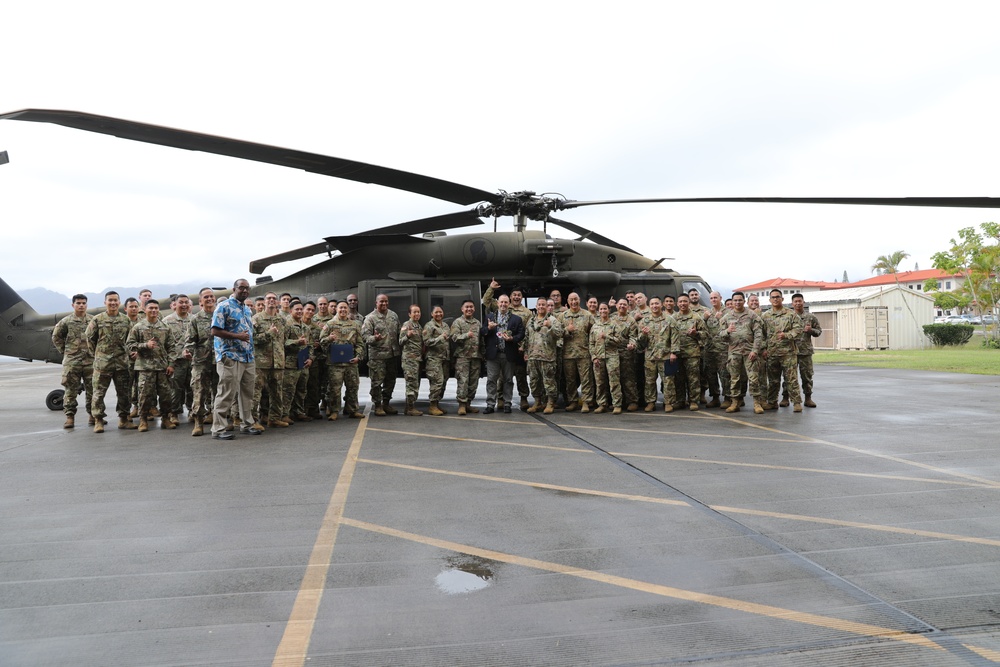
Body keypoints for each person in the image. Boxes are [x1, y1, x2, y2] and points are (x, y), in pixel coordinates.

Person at [210, 279, 258, 440]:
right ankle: (218, 428)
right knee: (226, 392)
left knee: (247, 393)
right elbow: (215, 330)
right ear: (234, 289)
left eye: (247, 288)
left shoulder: (246, 309)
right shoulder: (224, 306)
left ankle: (247, 424)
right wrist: (237, 336)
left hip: (247, 356)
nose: (244, 291)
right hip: (230, 356)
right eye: (241, 288)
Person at [86, 291, 136, 433]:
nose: (113, 303)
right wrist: (97, 355)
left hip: (121, 363)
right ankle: (98, 420)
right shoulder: (97, 319)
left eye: (115, 300)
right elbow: (89, 339)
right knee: (98, 393)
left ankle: (124, 419)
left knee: (124, 393)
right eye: (110, 300)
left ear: (119, 303)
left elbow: (130, 340)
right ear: (105, 302)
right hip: (103, 365)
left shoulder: (126, 320)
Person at [126, 299, 180, 432]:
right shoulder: (138, 327)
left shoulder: (165, 327)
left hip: (162, 368)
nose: (154, 311)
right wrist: (145, 345)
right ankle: (143, 419)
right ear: (145, 310)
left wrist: (171, 364)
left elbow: (172, 347)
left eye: (156, 308)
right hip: (145, 368)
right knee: (144, 396)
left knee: (166, 395)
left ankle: (166, 419)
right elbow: (129, 345)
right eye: (151, 308)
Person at [51, 294, 95, 429]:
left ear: (86, 305)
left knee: (93, 391)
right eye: (78, 303)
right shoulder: (66, 321)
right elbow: (56, 336)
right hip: (72, 362)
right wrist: (66, 351)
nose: (81, 305)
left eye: (83, 303)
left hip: (90, 362)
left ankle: (93, 416)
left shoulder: (93, 321)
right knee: (70, 390)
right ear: (73, 305)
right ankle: (70, 417)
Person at [719, 291, 764, 414]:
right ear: (731, 302)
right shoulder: (726, 318)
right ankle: (735, 402)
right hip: (734, 353)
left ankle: (757, 403)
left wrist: (755, 350)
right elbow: (721, 336)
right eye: (735, 300)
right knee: (735, 379)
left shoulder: (752, 316)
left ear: (744, 301)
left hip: (750, 352)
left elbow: (758, 335)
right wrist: (727, 331)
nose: (737, 302)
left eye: (740, 300)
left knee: (753, 378)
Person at [321, 300, 365, 420]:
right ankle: (335, 411)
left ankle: (352, 410)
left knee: (353, 387)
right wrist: (329, 339)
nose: (343, 310)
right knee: (335, 389)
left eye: (345, 308)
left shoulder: (355, 325)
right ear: (336, 309)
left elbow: (360, 344)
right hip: (335, 364)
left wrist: (358, 356)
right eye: (341, 308)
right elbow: (322, 342)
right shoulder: (330, 324)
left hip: (351, 363)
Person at [761, 289, 804, 412]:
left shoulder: (791, 314)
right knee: (773, 380)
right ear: (770, 300)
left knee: (791, 379)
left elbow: (798, 330)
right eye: (773, 297)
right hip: (772, 353)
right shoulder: (765, 316)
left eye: (777, 297)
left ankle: (796, 402)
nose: (775, 299)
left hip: (788, 353)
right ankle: (772, 402)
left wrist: (786, 335)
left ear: (782, 299)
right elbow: (761, 334)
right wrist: (764, 349)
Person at [186, 288, 219, 436]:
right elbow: (190, 340)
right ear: (200, 301)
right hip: (201, 361)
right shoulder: (195, 319)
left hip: (219, 361)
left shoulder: (221, 316)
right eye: (206, 297)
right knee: (199, 393)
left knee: (220, 393)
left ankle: (219, 422)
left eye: (211, 296)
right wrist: (187, 351)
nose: (209, 299)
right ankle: (198, 423)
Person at [484, 294, 525, 414]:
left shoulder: (516, 319)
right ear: (497, 303)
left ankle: (507, 403)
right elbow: (482, 332)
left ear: (509, 304)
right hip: (493, 354)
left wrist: (512, 338)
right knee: (491, 380)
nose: (503, 305)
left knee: (508, 380)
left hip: (508, 353)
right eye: (501, 302)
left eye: (506, 302)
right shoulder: (490, 317)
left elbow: (521, 334)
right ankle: (490, 404)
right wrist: (489, 328)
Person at [362, 293, 401, 416]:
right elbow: (365, 337)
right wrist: (375, 338)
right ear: (376, 303)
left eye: (386, 301)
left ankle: (386, 403)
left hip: (392, 355)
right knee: (377, 382)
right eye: (381, 302)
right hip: (377, 357)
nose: (384, 304)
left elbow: (399, 332)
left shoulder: (393, 315)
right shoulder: (370, 318)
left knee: (391, 381)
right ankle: (378, 405)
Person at [253, 293, 288, 427]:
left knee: (277, 392)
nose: (272, 300)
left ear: (278, 302)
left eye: (274, 299)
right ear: (264, 302)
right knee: (256, 393)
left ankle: (274, 418)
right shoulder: (256, 319)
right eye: (269, 299)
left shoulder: (281, 320)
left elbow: (283, 340)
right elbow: (252, 339)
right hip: (261, 362)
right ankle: (253, 420)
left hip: (278, 361)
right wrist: (269, 333)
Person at [525, 298, 563, 414]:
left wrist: (550, 326)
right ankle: (537, 402)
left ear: (547, 306)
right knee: (534, 381)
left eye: (543, 305)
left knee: (549, 382)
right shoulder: (531, 320)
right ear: (536, 306)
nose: (541, 306)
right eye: (539, 304)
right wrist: (526, 352)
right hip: (533, 357)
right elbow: (526, 337)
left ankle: (550, 403)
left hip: (547, 357)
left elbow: (559, 334)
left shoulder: (553, 320)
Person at [669, 294, 706, 411]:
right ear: (677, 304)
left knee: (693, 378)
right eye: (680, 302)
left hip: (692, 353)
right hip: (677, 353)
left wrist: (696, 333)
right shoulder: (672, 318)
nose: (682, 304)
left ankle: (693, 401)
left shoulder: (696, 317)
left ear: (689, 303)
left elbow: (706, 335)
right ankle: (680, 400)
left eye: (685, 301)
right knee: (678, 378)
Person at [637, 296, 674, 411]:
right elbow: (640, 343)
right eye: (652, 304)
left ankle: (668, 402)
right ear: (650, 305)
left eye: (656, 304)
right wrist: (643, 335)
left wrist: (674, 352)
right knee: (649, 381)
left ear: (661, 305)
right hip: (650, 357)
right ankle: (650, 402)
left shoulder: (669, 319)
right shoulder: (644, 321)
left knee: (668, 380)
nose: (654, 306)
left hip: (666, 356)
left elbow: (675, 338)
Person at [559, 292, 594, 412]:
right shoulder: (563, 316)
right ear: (568, 302)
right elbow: (557, 333)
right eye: (571, 300)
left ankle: (586, 402)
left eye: (576, 299)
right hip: (568, 354)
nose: (574, 302)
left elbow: (593, 332)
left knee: (586, 379)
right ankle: (573, 401)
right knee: (570, 380)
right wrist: (566, 330)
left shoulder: (587, 315)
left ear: (579, 300)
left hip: (584, 353)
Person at [163, 294, 194, 424]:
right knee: (175, 389)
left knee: (192, 388)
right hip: (176, 362)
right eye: (181, 302)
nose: (184, 305)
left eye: (186, 302)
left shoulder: (194, 319)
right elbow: (163, 344)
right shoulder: (167, 321)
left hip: (192, 361)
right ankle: (174, 413)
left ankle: (192, 411)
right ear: (175, 304)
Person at [451, 299, 485, 415]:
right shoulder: (458, 322)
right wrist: (466, 335)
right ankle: (461, 405)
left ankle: (468, 404)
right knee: (463, 381)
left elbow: (481, 340)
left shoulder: (477, 323)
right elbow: (454, 337)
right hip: (463, 357)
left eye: (471, 307)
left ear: (474, 309)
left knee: (473, 382)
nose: (469, 309)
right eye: (467, 307)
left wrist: (483, 354)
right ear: (462, 309)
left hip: (476, 357)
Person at [281, 301, 313, 422]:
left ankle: (299, 412)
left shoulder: (305, 327)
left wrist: (310, 358)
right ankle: (284, 414)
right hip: (290, 364)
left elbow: (310, 345)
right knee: (288, 390)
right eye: (296, 310)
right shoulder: (286, 324)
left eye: (301, 309)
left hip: (303, 363)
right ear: (291, 311)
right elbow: (283, 342)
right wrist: (296, 342)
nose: (299, 312)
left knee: (301, 389)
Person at [789, 293, 821, 408]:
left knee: (807, 376)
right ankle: (785, 398)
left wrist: (811, 330)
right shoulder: (788, 317)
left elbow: (819, 332)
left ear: (803, 302)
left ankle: (808, 398)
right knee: (790, 376)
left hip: (805, 352)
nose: (798, 303)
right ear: (792, 303)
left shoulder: (810, 317)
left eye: (800, 301)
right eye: (795, 301)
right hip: (790, 352)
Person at [589, 302, 622, 414]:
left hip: (611, 357)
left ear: (608, 310)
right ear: (599, 311)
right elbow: (591, 343)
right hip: (599, 357)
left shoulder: (614, 325)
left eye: (605, 309)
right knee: (600, 382)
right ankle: (602, 404)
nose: (603, 311)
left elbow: (619, 341)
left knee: (614, 382)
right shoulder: (595, 326)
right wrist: (594, 357)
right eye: (601, 309)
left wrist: (607, 337)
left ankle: (617, 404)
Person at [422, 305, 451, 416]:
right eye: (436, 312)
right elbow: (427, 342)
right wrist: (440, 338)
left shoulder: (445, 326)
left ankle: (437, 404)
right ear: (432, 314)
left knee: (443, 382)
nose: (438, 314)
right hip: (434, 359)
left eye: (440, 312)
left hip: (445, 358)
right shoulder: (429, 326)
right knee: (437, 382)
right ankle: (432, 405)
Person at [612, 299, 640, 411]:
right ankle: (619, 402)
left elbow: (634, 336)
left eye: (624, 304)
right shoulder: (612, 318)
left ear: (627, 306)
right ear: (616, 306)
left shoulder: (631, 320)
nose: (622, 306)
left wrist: (632, 344)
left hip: (626, 353)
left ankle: (633, 401)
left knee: (628, 378)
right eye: (620, 304)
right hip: (613, 353)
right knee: (615, 379)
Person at [399, 304, 425, 416]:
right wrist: (407, 336)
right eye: (414, 312)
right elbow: (400, 341)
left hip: (417, 359)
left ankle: (409, 406)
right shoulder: (407, 325)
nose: (417, 314)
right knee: (411, 383)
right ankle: (410, 408)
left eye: (418, 312)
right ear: (410, 314)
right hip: (409, 359)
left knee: (415, 383)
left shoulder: (419, 326)